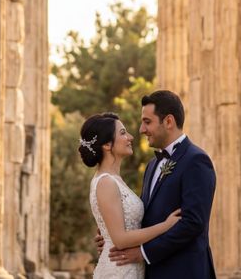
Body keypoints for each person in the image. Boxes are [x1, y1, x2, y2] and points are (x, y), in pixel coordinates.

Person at [101, 90, 218, 279]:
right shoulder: (152, 165)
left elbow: (193, 223)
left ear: (169, 121)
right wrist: (112, 236)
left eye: (147, 122)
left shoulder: (196, 160)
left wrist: (143, 253)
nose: (141, 129)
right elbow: (145, 216)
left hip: (185, 272)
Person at [80, 112, 182, 279]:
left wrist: (105, 236)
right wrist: (166, 225)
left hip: (131, 268)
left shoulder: (115, 180)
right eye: (122, 133)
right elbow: (120, 239)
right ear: (106, 144)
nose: (130, 137)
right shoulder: (106, 182)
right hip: (118, 270)